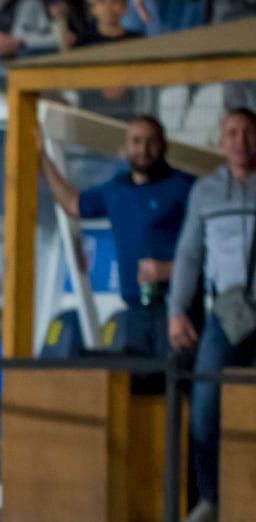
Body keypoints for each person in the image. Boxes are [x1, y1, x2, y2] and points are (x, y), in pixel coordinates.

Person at [167, 107, 256, 522]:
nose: (240, 141)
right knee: (205, 407)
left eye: (247, 133)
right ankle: (212, 501)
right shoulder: (205, 191)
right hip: (225, 314)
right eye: (232, 133)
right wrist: (176, 310)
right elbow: (188, 255)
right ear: (221, 143)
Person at [40, 117, 195, 357]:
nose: (143, 149)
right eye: (136, 142)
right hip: (134, 311)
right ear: (125, 147)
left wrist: (170, 269)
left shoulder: (185, 187)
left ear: (164, 146)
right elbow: (73, 203)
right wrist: (42, 159)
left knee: (177, 388)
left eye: (150, 142)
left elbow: (213, 250)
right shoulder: (116, 189)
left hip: (177, 311)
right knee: (136, 387)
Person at [72, 0, 143, 46]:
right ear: (93, 8)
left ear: (124, 7)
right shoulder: (84, 43)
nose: (108, 7)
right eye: (102, 1)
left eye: (115, 0)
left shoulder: (137, 41)